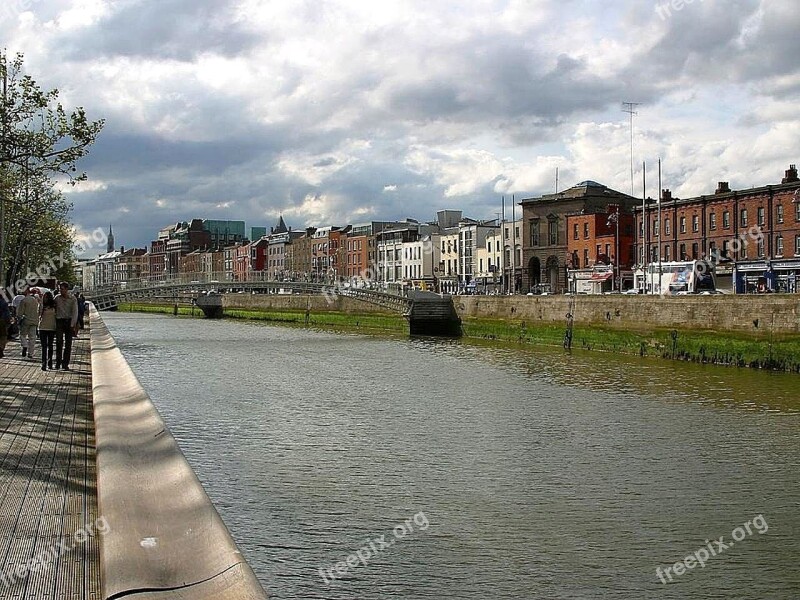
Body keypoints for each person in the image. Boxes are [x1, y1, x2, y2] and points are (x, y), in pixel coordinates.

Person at [54, 282, 78, 371]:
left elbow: (75, 312)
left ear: (67, 289)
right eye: (60, 289)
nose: (61, 291)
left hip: (68, 321)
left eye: (63, 289)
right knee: (59, 342)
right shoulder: (57, 298)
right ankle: (58, 362)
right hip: (59, 321)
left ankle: (65, 363)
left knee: (68, 344)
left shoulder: (72, 299)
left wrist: (73, 324)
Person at [17, 288, 40, 360]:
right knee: (32, 337)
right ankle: (30, 353)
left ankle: (24, 345)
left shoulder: (24, 300)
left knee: (22, 335)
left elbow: (20, 312)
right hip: (34, 321)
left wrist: (18, 319)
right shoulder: (35, 300)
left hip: (26, 320)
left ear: (26, 291)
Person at [38, 291, 57, 371]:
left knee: (50, 346)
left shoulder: (54, 306)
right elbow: (38, 314)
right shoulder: (41, 305)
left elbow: (57, 314)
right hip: (42, 327)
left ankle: (50, 363)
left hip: (51, 328)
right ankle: (44, 363)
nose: (45, 299)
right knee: (44, 347)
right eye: (44, 297)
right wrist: (41, 305)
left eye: (46, 297)